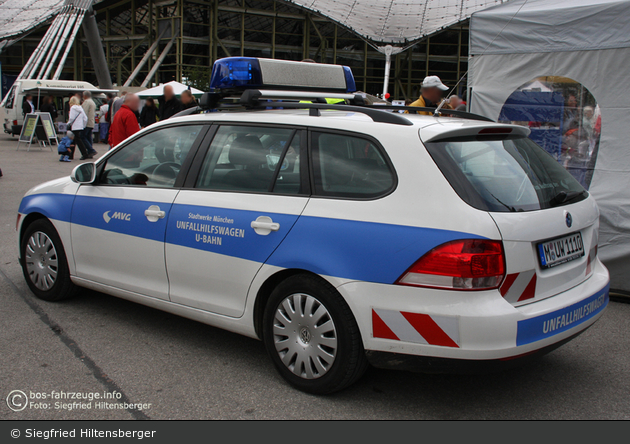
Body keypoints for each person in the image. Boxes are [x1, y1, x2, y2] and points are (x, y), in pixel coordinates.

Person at [81, 91, 97, 155]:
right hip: (91, 122)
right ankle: (90, 151)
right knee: (88, 137)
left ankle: (91, 150)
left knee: (82, 136)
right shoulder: (92, 102)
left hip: (86, 123)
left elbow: (84, 112)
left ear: (84, 96)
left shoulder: (87, 102)